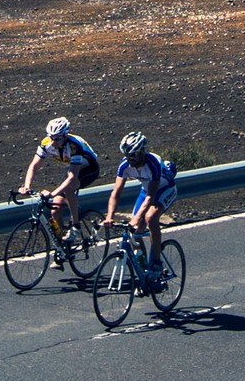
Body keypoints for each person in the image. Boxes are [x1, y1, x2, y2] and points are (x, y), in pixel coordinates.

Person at [15, 117, 102, 248]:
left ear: (65, 136)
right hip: (71, 168)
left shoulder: (74, 146)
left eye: (58, 139)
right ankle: (63, 247)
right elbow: (34, 165)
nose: (54, 142)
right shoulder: (46, 143)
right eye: (51, 137)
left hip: (89, 168)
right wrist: (27, 186)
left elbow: (72, 178)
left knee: (68, 188)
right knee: (55, 208)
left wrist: (52, 193)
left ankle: (76, 226)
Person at [104, 130, 178, 278]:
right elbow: (116, 193)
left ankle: (156, 262)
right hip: (146, 191)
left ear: (141, 152)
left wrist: (137, 217)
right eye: (126, 155)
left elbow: (151, 196)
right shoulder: (124, 166)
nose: (129, 159)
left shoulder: (153, 163)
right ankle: (144, 270)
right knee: (134, 232)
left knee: (150, 218)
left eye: (132, 155)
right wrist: (110, 216)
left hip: (164, 189)